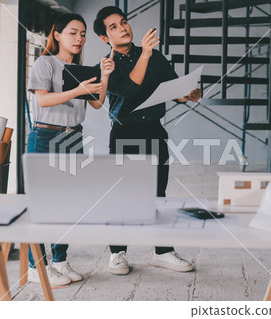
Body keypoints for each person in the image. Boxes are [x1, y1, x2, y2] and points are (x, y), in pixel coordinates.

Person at [93, 6, 201, 275]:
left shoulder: (153, 55)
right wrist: (147, 53)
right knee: (122, 195)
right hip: (124, 133)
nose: (123, 28)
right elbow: (130, 88)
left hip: (154, 130)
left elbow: (172, 87)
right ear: (105, 38)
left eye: (124, 22)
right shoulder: (107, 65)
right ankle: (118, 253)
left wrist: (187, 94)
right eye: (114, 27)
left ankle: (162, 251)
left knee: (158, 194)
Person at [26, 13, 114, 286]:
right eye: (73, 33)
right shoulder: (45, 63)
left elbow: (97, 105)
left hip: (73, 138)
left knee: (67, 205)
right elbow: (43, 98)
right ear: (57, 34)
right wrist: (77, 90)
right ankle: (35, 268)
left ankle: (59, 261)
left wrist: (105, 76)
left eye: (83, 34)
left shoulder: (82, 69)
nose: (79, 38)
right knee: (43, 205)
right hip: (46, 136)